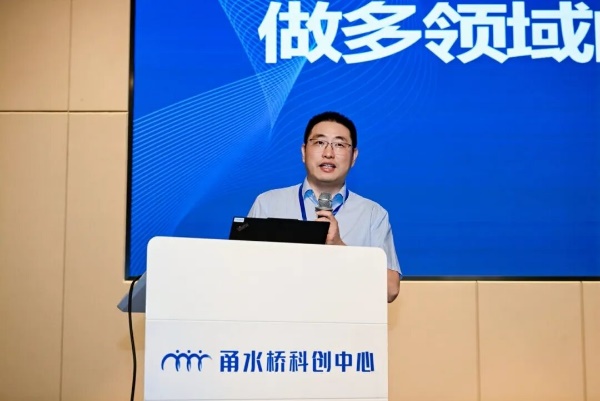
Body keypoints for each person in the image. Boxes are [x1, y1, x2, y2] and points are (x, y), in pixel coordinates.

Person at [247, 111, 401, 303]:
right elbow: (240, 272)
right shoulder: (267, 204)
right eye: (320, 142)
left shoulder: (372, 214)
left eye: (339, 144)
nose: (328, 153)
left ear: (353, 156)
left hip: (344, 321)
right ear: (304, 152)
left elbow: (391, 290)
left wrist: (340, 248)